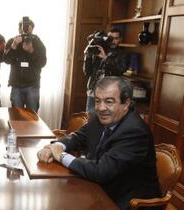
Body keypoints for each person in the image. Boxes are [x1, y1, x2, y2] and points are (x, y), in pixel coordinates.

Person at [37, 76, 160, 210]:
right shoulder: (100, 118)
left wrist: (61, 156)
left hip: (126, 201)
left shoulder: (135, 131)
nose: (101, 108)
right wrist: (55, 146)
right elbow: (78, 137)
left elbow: (101, 171)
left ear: (126, 104)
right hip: (99, 187)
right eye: (97, 101)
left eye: (109, 101)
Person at [4, 17, 47, 113]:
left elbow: (43, 62)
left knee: (32, 117)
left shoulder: (37, 42)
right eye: (23, 27)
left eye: (28, 27)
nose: (25, 29)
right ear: (19, 28)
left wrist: (31, 51)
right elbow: (6, 60)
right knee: (16, 116)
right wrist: (14, 46)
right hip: (16, 85)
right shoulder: (12, 41)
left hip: (32, 85)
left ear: (32, 28)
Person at [83, 27, 129, 113]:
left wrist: (105, 58)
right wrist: (88, 56)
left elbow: (120, 70)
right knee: (90, 118)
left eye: (116, 38)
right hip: (94, 89)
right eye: (110, 38)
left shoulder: (123, 54)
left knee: (106, 118)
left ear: (120, 39)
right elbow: (87, 72)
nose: (112, 41)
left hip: (110, 92)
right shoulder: (99, 50)